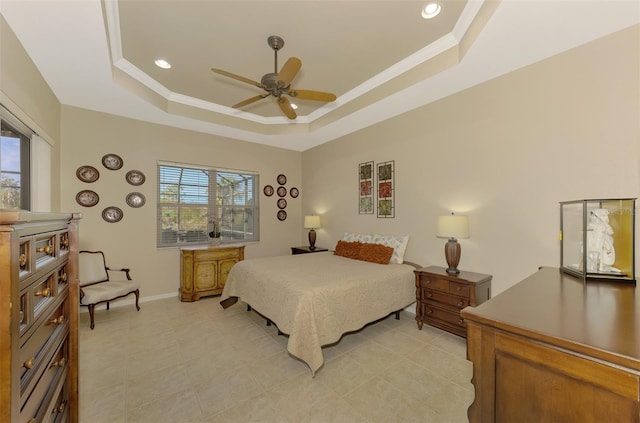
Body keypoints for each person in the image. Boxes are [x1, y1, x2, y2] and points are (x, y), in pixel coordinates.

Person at [586, 208, 618, 273]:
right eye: (592, 216)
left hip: (601, 243)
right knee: (591, 254)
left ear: (599, 216)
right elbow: (588, 233)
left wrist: (606, 235)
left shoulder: (604, 225)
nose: (593, 218)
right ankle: (592, 266)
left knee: (602, 255)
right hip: (592, 242)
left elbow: (611, 232)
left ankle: (601, 266)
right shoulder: (590, 224)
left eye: (595, 216)